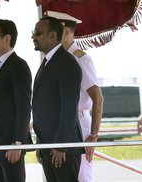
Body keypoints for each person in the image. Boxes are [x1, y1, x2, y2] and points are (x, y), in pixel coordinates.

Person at [46, 11, 104, 182]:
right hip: (59, 124)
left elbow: (98, 98)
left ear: (65, 32)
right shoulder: (53, 60)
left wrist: (93, 135)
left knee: (80, 175)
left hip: (79, 124)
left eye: (54, 30)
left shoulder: (80, 58)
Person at [31, 16, 84, 182]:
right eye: (33, 33)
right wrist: (41, 143)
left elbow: (69, 108)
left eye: (38, 33)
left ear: (53, 36)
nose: (33, 37)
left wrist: (60, 145)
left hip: (62, 148)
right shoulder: (48, 62)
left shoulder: (66, 62)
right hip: (49, 145)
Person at [0, 19, 33, 182]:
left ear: (7, 39)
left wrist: (17, 142)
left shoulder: (18, 66)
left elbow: (24, 106)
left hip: (10, 145)